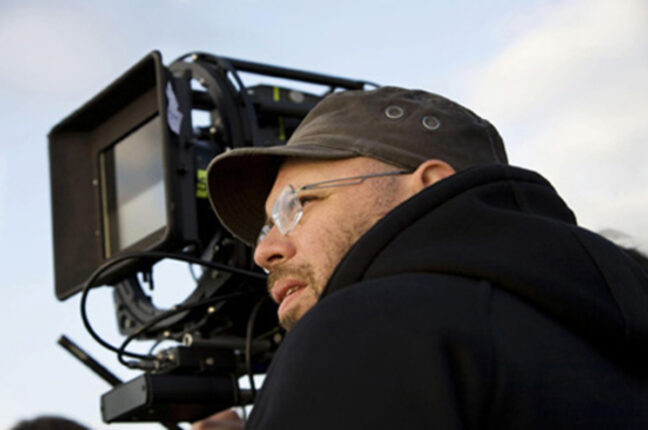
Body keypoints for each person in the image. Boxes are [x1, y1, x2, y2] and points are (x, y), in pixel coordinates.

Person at [203, 86, 648, 429]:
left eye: (299, 204)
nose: (264, 251)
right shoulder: (603, 331)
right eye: (268, 225)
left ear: (432, 186)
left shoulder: (367, 324)